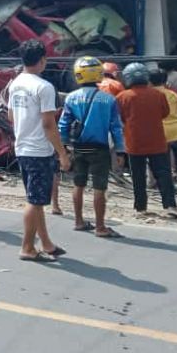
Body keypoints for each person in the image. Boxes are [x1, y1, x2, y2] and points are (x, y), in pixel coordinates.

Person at [7, 40, 70, 262]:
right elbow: (49, 124)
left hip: (23, 147)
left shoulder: (15, 84)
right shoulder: (43, 87)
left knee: (36, 198)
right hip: (39, 150)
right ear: (43, 60)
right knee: (34, 201)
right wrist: (62, 153)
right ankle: (27, 247)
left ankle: (46, 243)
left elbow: (11, 117)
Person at [59, 56, 125, 238]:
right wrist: (120, 150)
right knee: (99, 188)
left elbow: (63, 125)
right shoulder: (108, 100)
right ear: (98, 73)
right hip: (100, 149)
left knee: (78, 184)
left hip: (79, 148)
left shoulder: (71, 98)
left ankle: (79, 221)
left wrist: (63, 148)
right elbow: (116, 128)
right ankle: (100, 227)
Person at [116, 63, 177, 219]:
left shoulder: (122, 97)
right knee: (163, 174)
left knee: (138, 176)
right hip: (157, 141)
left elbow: (120, 118)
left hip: (134, 143)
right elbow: (165, 113)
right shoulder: (159, 95)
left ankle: (141, 208)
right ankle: (170, 206)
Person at [150, 69, 177, 185]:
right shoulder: (173, 93)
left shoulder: (150, 94)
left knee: (162, 161)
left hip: (159, 132)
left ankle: (163, 183)